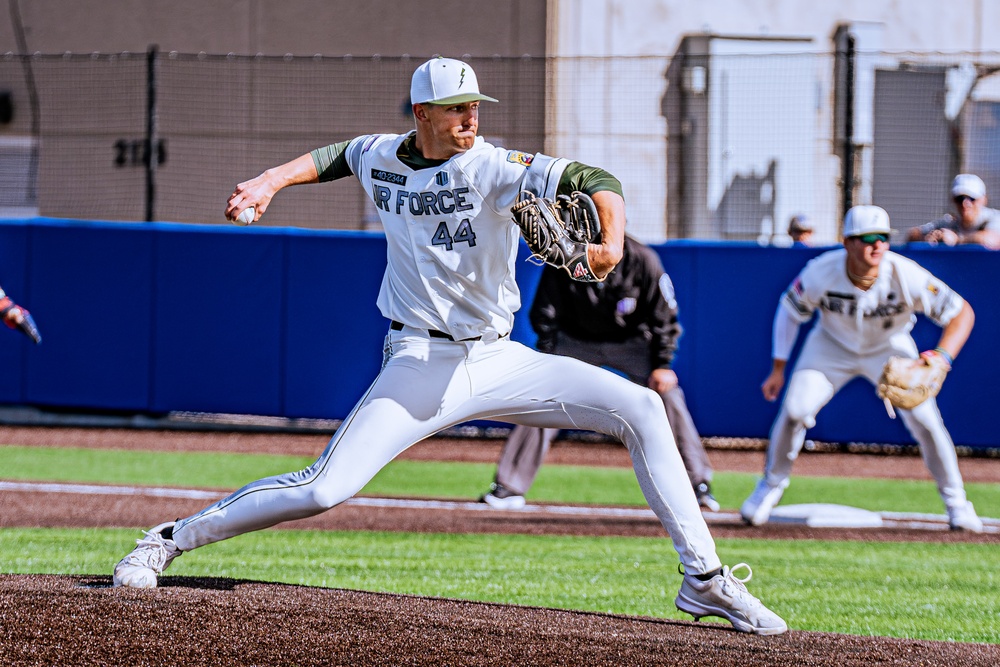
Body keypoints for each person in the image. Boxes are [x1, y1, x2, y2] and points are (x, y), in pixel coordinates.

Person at [111, 57, 786, 635]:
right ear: (423, 114)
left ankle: (705, 577)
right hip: (418, 361)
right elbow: (334, 156)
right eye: (458, 108)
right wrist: (267, 183)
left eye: (475, 106)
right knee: (323, 490)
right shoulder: (381, 153)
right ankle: (167, 540)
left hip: (497, 358)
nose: (472, 117)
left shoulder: (494, 166)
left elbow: (593, 179)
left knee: (641, 406)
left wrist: (608, 241)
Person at [742, 205, 982, 532]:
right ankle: (770, 486)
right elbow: (789, 311)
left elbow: (961, 312)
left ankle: (957, 503)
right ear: (847, 242)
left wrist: (942, 356)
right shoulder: (820, 271)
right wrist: (778, 367)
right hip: (831, 346)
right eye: (867, 238)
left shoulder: (904, 273)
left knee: (926, 420)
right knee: (795, 411)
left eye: (883, 237)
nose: (877, 245)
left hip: (889, 347)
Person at [480, 235, 719, 512]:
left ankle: (698, 485)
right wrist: (549, 358)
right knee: (544, 395)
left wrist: (662, 365)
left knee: (668, 395)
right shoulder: (567, 256)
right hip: (576, 341)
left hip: (630, 342)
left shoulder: (643, 259)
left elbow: (664, 316)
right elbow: (544, 311)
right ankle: (509, 486)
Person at [907, 174, 1000, 249]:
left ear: (983, 199)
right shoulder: (950, 221)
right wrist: (927, 238)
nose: (965, 203)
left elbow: (991, 240)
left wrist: (957, 239)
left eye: (972, 198)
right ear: (953, 200)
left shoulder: (994, 218)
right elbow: (912, 234)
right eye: (960, 198)